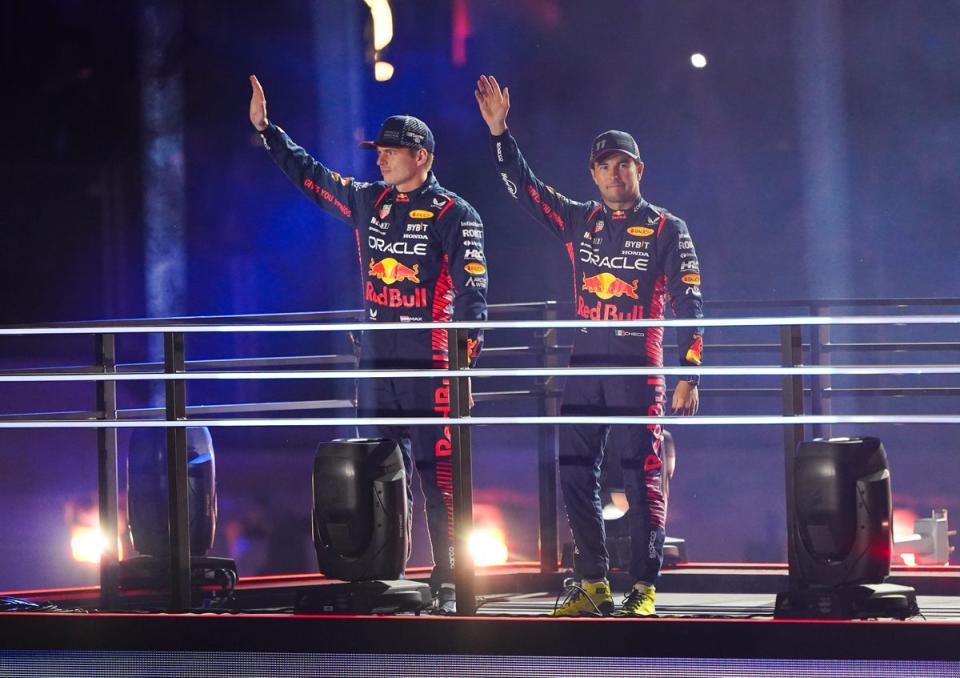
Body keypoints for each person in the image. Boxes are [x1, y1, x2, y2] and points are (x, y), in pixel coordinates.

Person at [250, 75, 489, 613]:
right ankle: (390, 577)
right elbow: (310, 177)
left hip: (433, 367)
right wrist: (269, 132)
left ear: (420, 157)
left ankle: (454, 585)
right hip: (378, 363)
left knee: (440, 478)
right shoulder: (368, 201)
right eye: (378, 151)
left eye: (390, 151)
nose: (380, 159)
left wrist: (464, 370)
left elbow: (475, 298)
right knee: (383, 473)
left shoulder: (457, 214)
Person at [475, 75, 702, 617]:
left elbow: (692, 303)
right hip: (586, 364)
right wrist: (500, 133)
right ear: (594, 174)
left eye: (624, 164)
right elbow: (526, 190)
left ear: (638, 170)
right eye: (604, 165)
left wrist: (693, 371)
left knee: (642, 473)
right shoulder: (581, 220)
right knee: (573, 467)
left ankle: (643, 588)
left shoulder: (669, 228)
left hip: (640, 367)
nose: (614, 173)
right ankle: (592, 581)